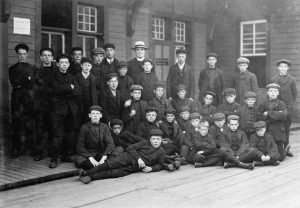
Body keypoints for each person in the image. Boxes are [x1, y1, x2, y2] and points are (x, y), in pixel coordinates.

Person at [78, 129, 166, 184]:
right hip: (127, 157)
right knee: (109, 164)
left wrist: (151, 169)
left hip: (134, 167)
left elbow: (161, 164)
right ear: (150, 139)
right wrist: (139, 159)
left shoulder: (161, 151)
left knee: (115, 173)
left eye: (158, 139)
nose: (156, 141)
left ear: (161, 140)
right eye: (153, 139)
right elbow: (130, 148)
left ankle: (90, 178)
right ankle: (86, 173)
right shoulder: (144, 143)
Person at [48, 54, 80, 168]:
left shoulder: (72, 76)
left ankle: (65, 156)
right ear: (57, 64)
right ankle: (54, 158)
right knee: (57, 135)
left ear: (69, 64)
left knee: (69, 134)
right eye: (62, 63)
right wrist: (69, 87)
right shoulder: (53, 76)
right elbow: (55, 89)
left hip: (70, 110)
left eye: (66, 63)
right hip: (57, 110)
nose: (64, 65)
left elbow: (77, 91)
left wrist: (68, 88)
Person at [9, 43, 35, 158]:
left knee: (29, 124)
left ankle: (30, 149)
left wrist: (24, 81)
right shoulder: (12, 69)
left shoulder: (32, 68)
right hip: (17, 99)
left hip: (29, 98)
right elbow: (14, 82)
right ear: (17, 54)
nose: (22, 56)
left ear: (27, 54)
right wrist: (27, 80)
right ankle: (16, 149)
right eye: (20, 54)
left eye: (24, 54)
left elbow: (33, 83)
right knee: (16, 124)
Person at [31, 48, 56, 161]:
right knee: (40, 129)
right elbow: (33, 89)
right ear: (41, 58)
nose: (46, 57)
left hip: (54, 105)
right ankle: (39, 153)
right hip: (41, 105)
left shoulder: (56, 71)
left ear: (52, 57)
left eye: (49, 55)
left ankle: (52, 152)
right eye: (44, 55)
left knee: (53, 129)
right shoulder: (36, 71)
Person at [271, 59, 297, 157]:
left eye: (285, 67)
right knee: (277, 128)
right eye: (281, 66)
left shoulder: (292, 80)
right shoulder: (274, 79)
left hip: (288, 109)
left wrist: (289, 106)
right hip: (276, 108)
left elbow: (294, 94)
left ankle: (286, 149)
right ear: (278, 68)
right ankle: (277, 149)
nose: (283, 68)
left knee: (286, 128)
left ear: (288, 68)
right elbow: (271, 93)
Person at [76, 105, 115, 170]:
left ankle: (94, 170)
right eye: (93, 113)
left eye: (97, 113)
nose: (95, 115)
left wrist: (103, 158)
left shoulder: (105, 127)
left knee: (111, 161)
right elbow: (80, 146)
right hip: (88, 154)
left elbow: (110, 144)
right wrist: (91, 158)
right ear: (89, 115)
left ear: (101, 116)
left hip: (101, 154)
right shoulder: (84, 127)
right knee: (87, 164)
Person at [258, 83, 289, 161]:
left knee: (280, 158)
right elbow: (259, 117)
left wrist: (268, 113)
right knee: (266, 154)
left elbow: (284, 115)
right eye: (271, 91)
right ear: (267, 92)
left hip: (278, 133)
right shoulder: (263, 104)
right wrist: (277, 114)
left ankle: (284, 151)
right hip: (268, 132)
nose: (272, 93)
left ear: (278, 93)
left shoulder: (282, 104)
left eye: (275, 91)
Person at [75, 57, 98, 125]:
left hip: (90, 104)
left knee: (88, 122)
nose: (86, 67)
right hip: (79, 104)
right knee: (78, 122)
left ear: (91, 66)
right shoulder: (76, 76)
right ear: (81, 66)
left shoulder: (93, 78)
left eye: (88, 65)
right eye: (85, 65)